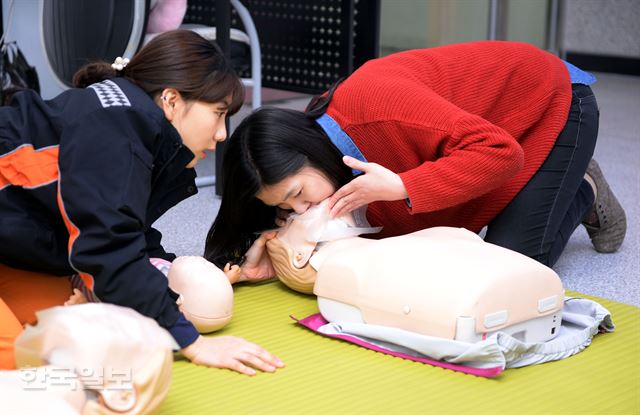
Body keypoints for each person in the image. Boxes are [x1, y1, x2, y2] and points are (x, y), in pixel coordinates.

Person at [204, 40, 626, 273]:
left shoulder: (377, 109)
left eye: (297, 192)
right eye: (284, 206)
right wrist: (271, 262)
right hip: (486, 133)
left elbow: (498, 151)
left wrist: (405, 185)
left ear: (309, 152)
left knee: (512, 268)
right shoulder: (325, 163)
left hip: (550, 104)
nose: (300, 208)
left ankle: (582, 187)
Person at [0, 29, 283, 375]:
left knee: (66, 346)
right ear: (172, 100)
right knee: (22, 368)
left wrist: (199, 276)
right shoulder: (115, 127)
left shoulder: (132, 124)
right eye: (218, 113)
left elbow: (127, 232)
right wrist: (193, 343)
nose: (222, 133)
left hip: (13, 247)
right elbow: (109, 246)